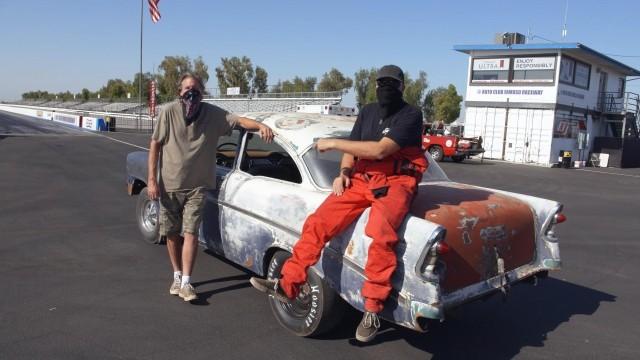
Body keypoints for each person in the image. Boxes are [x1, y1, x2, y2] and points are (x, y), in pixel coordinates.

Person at [250, 65, 427, 342]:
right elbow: (352, 148)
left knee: (381, 236)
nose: (385, 88)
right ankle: (288, 284)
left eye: (392, 83)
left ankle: (372, 310)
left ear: (402, 86)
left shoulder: (411, 115)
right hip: (361, 178)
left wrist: (332, 144)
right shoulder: (368, 111)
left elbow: (380, 149)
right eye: (381, 82)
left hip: (394, 182)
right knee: (318, 222)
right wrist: (343, 173)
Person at [148, 73, 273, 302]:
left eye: (195, 88)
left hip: (197, 186)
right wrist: (152, 180)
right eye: (186, 88)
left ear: (202, 92)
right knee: (172, 234)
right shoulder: (167, 112)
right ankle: (176, 276)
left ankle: (186, 282)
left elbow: (238, 121)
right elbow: (155, 145)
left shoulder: (212, 114)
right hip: (170, 185)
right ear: (179, 92)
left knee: (191, 232)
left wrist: (261, 126)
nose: (191, 93)